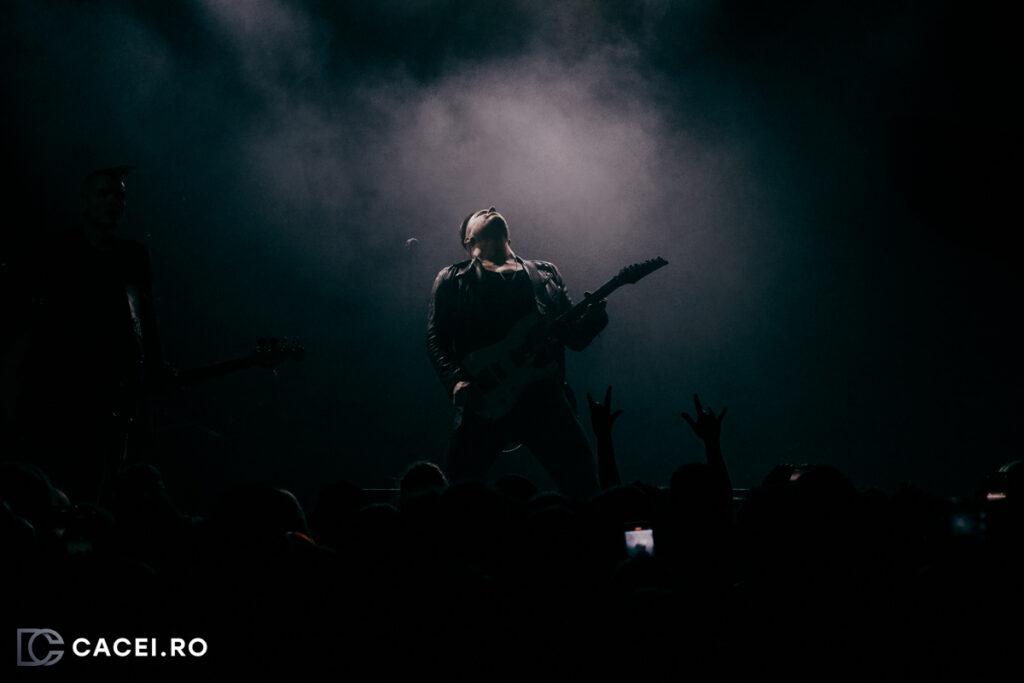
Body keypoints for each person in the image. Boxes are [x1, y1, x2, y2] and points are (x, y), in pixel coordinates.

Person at [10, 166, 171, 505]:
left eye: (120, 196)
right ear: (84, 202)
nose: (114, 202)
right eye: (104, 194)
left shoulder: (132, 256)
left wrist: (153, 364)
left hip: (114, 389)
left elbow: (145, 317)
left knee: (104, 478)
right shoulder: (59, 250)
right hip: (62, 387)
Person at [426, 206, 608, 500]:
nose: (491, 208)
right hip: (485, 395)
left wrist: (596, 319)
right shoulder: (452, 278)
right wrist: (456, 380)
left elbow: (573, 338)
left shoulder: (545, 273)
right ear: (468, 240)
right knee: (461, 494)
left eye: (492, 209)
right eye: (481, 212)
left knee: (584, 487)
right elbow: (436, 337)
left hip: (544, 398)